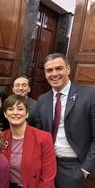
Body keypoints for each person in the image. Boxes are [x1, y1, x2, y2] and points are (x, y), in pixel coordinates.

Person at [34, 53, 95, 188]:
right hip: (46, 165)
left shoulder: (90, 95)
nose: (54, 74)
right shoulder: (42, 100)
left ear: (68, 69)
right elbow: (38, 134)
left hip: (73, 167)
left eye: (59, 68)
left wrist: (85, 169)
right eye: (49, 70)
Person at [3, 94, 56, 188]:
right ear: (5, 114)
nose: (15, 112)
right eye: (10, 109)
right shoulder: (0, 138)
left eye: (20, 109)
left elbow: (48, 178)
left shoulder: (44, 138)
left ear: (27, 113)